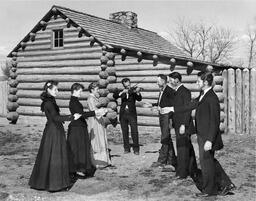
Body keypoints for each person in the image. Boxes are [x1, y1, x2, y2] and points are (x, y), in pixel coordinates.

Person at [172, 72, 235, 197]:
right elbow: (190, 105)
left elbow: (215, 121)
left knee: (206, 163)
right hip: (202, 135)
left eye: (198, 81)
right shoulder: (203, 95)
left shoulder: (211, 98)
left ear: (205, 82)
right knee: (208, 161)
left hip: (207, 137)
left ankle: (209, 191)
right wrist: (173, 109)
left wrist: (210, 140)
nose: (197, 83)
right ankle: (226, 184)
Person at [29, 80, 81, 192]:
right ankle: (55, 184)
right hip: (53, 131)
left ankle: (45, 182)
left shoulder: (51, 101)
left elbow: (55, 116)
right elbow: (55, 118)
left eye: (57, 89)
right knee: (56, 156)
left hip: (54, 129)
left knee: (51, 156)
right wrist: (71, 117)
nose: (57, 91)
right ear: (48, 89)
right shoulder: (48, 103)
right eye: (55, 89)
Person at [67, 83, 107, 178]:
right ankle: (76, 170)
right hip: (77, 127)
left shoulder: (75, 100)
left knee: (80, 149)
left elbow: (81, 114)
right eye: (80, 91)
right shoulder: (73, 102)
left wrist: (95, 112)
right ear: (75, 90)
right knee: (77, 149)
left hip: (80, 126)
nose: (81, 93)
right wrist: (96, 112)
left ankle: (78, 169)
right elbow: (81, 115)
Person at [169, 72, 201, 181]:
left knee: (182, 149)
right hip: (178, 124)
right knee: (187, 148)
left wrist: (183, 124)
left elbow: (187, 110)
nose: (170, 81)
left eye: (171, 79)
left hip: (184, 125)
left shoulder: (185, 91)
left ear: (177, 79)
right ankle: (192, 169)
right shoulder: (176, 92)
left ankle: (182, 173)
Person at [149, 74, 177, 170]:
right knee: (166, 138)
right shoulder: (162, 91)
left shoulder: (170, 91)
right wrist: (153, 105)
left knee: (165, 137)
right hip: (162, 116)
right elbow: (162, 102)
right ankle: (171, 160)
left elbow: (174, 105)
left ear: (164, 81)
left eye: (158, 81)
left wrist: (168, 112)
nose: (157, 82)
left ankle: (162, 160)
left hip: (167, 117)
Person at [113, 78, 142, 155]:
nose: (128, 85)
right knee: (124, 131)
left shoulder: (133, 91)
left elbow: (139, 99)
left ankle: (136, 149)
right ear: (123, 85)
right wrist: (123, 92)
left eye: (129, 83)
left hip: (132, 113)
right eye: (126, 84)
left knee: (134, 131)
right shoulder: (121, 91)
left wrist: (138, 92)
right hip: (123, 114)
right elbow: (115, 96)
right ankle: (126, 148)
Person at [87, 82, 112, 168]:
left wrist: (102, 109)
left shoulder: (94, 98)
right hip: (94, 121)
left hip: (98, 120)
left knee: (101, 137)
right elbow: (93, 111)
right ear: (92, 90)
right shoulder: (90, 98)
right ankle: (97, 161)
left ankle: (104, 160)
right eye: (97, 89)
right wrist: (104, 110)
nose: (98, 91)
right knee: (97, 139)